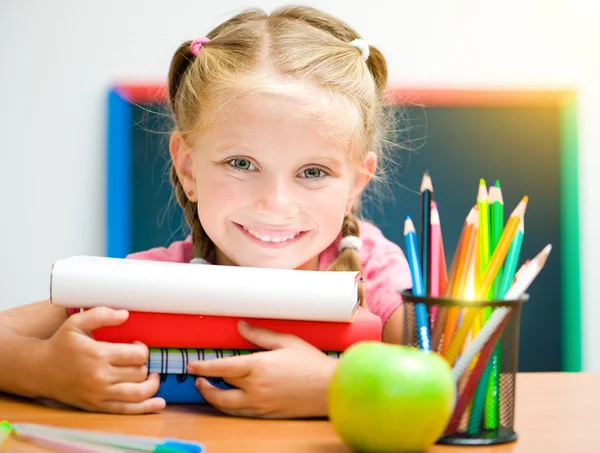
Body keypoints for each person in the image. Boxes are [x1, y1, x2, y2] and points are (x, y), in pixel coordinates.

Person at [0, 5, 412, 419]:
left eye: (312, 171)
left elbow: (463, 385)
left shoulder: (376, 276)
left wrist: (336, 388)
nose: (275, 203)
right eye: (241, 163)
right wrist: (43, 371)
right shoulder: (149, 283)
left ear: (355, 184)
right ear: (187, 168)